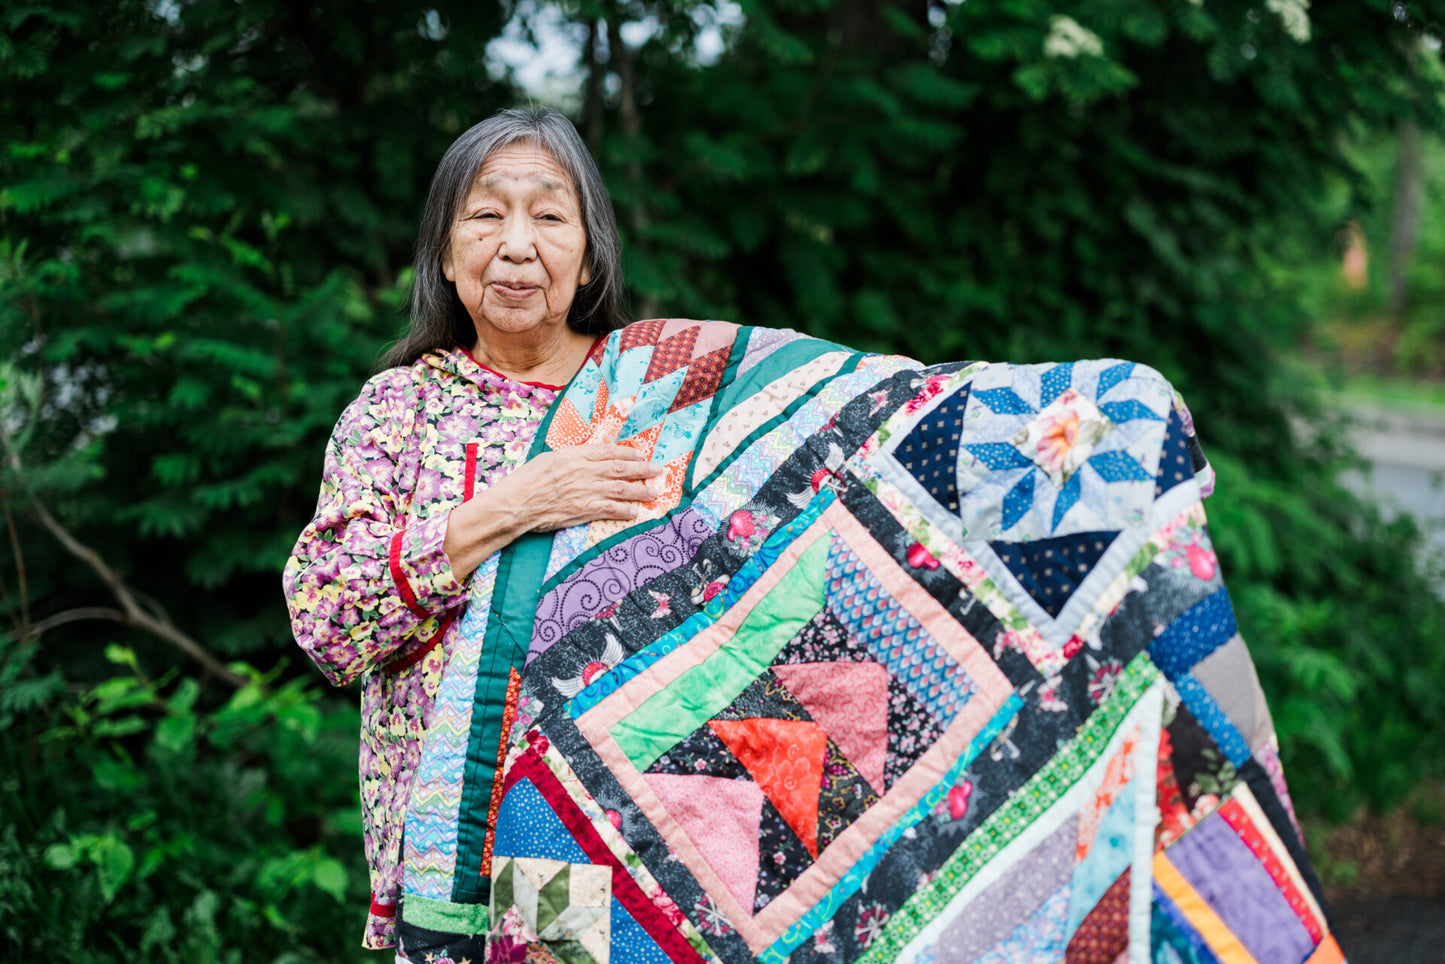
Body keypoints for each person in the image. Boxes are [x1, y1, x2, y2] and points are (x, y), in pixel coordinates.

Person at [283, 106, 659, 953]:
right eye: (486, 214)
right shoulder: (397, 410)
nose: (517, 244)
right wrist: (514, 504)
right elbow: (328, 623)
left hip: (607, 843)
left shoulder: (652, 405)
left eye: (550, 215)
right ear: (447, 257)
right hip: (444, 846)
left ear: (590, 254)